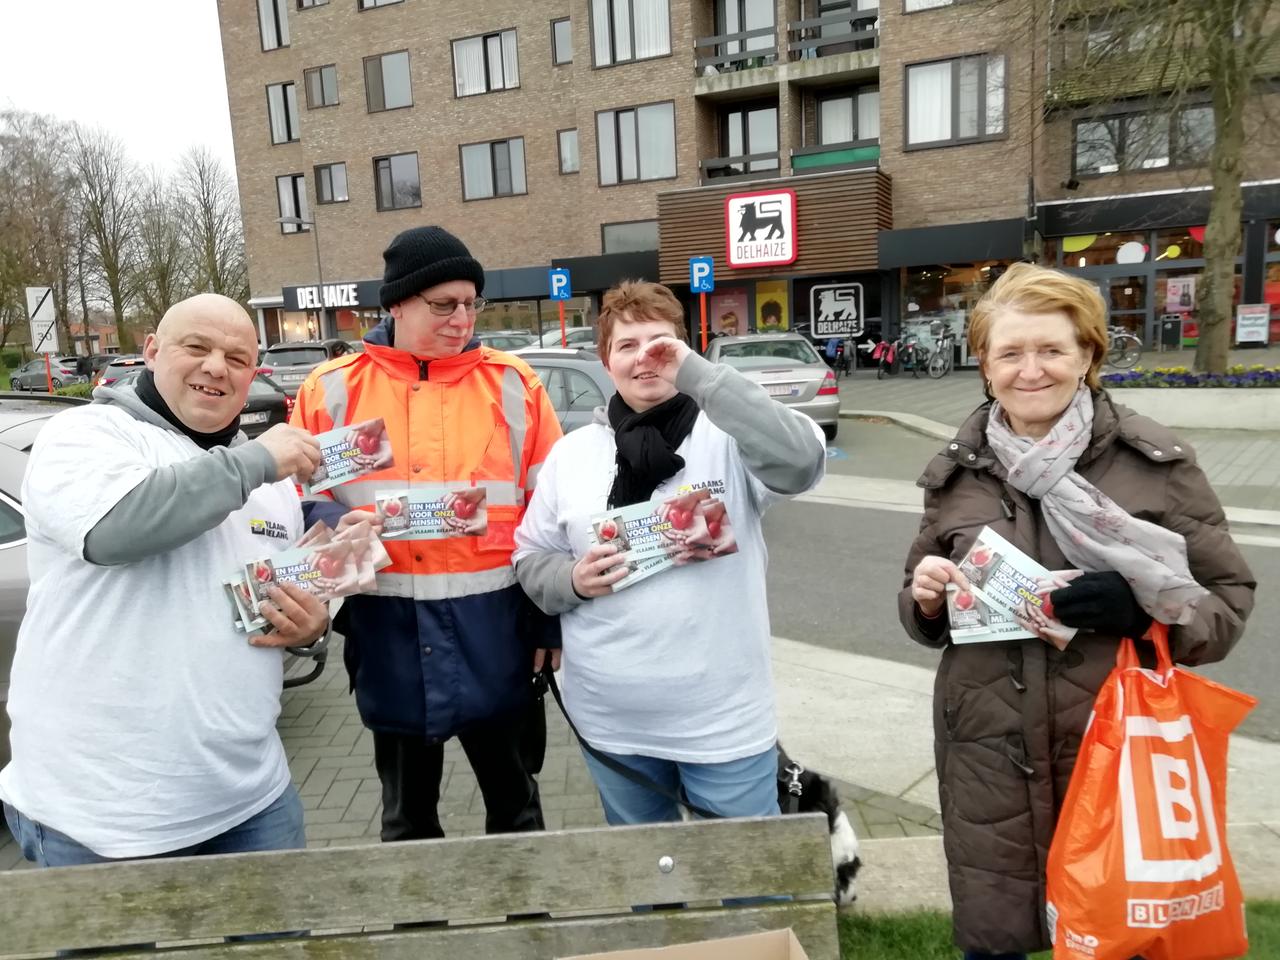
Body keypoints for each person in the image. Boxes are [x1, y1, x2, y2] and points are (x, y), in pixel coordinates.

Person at [898, 263, 1255, 959]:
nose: (1031, 370)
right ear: (985, 365)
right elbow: (919, 598)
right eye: (1010, 352)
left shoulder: (1154, 462)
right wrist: (929, 598)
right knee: (997, 937)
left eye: (1052, 350)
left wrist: (1142, 610)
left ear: (1088, 355)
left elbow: (1228, 603)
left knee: (1119, 931)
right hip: (989, 755)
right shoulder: (958, 470)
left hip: (1119, 751)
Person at [0, 293, 330, 866]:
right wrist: (257, 463)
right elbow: (117, 529)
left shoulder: (271, 480)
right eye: (196, 347)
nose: (215, 367)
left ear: (253, 372)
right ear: (152, 351)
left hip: (253, 801)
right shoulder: (89, 434)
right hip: (102, 820)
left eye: (236, 356)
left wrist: (308, 626)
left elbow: (260, 599)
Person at [513, 280, 825, 825]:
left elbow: (800, 463)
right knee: (650, 880)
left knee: (748, 879)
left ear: (684, 349)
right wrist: (573, 581)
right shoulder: (573, 455)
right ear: (605, 361)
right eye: (626, 347)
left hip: (722, 722)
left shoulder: (726, 436)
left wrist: (700, 377)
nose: (643, 359)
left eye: (659, 343)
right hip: (611, 723)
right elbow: (530, 556)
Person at [290, 225, 562, 842]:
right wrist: (333, 523)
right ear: (396, 304)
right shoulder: (330, 388)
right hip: (389, 636)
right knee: (407, 821)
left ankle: (529, 930)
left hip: (498, 632)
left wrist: (549, 621)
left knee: (518, 812)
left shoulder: (516, 385)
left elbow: (552, 512)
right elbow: (299, 497)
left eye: (472, 302)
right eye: (444, 304)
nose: (462, 318)